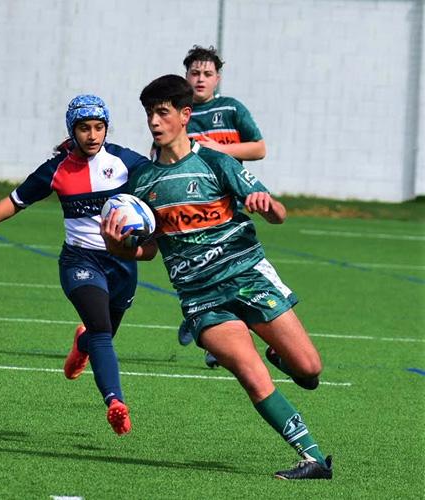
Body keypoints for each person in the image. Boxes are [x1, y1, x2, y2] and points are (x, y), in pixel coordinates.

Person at [102, 75, 332, 479]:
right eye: (149, 114)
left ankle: (283, 354)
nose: (155, 122)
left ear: (185, 115)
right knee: (249, 372)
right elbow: (150, 249)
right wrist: (116, 247)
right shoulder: (142, 183)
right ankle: (312, 458)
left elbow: (278, 215)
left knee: (310, 370)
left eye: (163, 112)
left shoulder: (214, 161)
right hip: (200, 296)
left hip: (248, 276)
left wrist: (266, 205)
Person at [0, 95, 153, 435]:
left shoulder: (125, 161)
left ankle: (80, 344)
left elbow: (162, 173)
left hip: (122, 263)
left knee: (102, 334)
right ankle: (115, 401)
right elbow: (15, 201)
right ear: (72, 131)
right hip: (79, 261)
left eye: (98, 128)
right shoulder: (56, 169)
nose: (92, 135)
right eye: (84, 128)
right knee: (101, 330)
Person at [177, 45, 267, 367]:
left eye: (207, 74)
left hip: (230, 206)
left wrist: (221, 148)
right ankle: (203, 318)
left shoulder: (231, 108)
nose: (200, 79)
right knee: (196, 268)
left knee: (233, 271)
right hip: (193, 209)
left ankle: (209, 326)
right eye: (194, 73)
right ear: (186, 76)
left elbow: (259, 149)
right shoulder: (179, 112)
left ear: (218, 78)